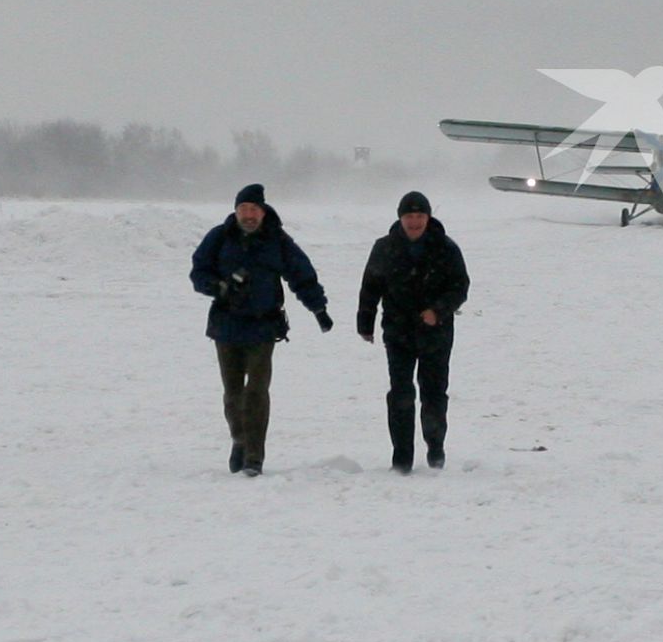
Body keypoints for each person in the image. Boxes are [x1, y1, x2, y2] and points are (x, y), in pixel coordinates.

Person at [190, 183, 332, 476]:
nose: (248, 215)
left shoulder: (277, 241)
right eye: (243, 209)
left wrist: (318, 309)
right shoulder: (219, 237)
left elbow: (301, 275)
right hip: (226, 325)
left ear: (263, 212)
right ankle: (239, 440)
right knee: (232, 393)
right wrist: (219, 287)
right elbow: (198, 272)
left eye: (253, 209)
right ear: (236, 211)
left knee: (256, 391)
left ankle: (254, 455)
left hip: (262, 327)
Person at [357, 191, 470, 473]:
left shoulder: (445, 247)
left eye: (420, 216)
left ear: (428, 217)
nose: (415, 221)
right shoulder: (384, 248)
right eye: (409, 216)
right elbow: (371, 287)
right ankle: (402, 456)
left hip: (437, 333)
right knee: (401, 393)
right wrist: (365, 322)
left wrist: (438, 310)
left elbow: (460, 286)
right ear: (400, 218)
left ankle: (435, 448)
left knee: (433, 392)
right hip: (398, 331)